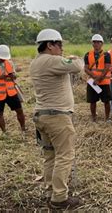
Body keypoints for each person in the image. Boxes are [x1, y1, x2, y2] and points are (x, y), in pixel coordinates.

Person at [29, 28, 84, 209]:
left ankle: (50, 190)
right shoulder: (51, 61)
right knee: (64, 156)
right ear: (50, 45)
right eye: (59, 44)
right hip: (57, 117)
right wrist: (75, 57)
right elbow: (77, 66)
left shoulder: (36, 62)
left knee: (50, 155)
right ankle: (59, 198)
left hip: (43, 115)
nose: (61, 48)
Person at [0, 45, 26, 133]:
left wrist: (12, 76)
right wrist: (0, 77)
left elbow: (14, 76)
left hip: (11, 92)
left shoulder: (9, 63)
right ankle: (4, 132)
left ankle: (23, 129)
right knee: (0, 113)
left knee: (20, 110)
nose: (3, 59)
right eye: (1, 58)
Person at [84, 34, 112, 122]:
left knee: (106, 101)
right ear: (92, 44)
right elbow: (86, 68)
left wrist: (99, 79)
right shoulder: (88, 55)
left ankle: (107, 118)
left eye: (98, 42)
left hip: (104, 82)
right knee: (92, 101)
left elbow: (107, 68)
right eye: (94, 42)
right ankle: (93, 118)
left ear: (102, 43)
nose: (96, 44)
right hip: (93, 82)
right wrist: (94, 77)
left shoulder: (107, 55)